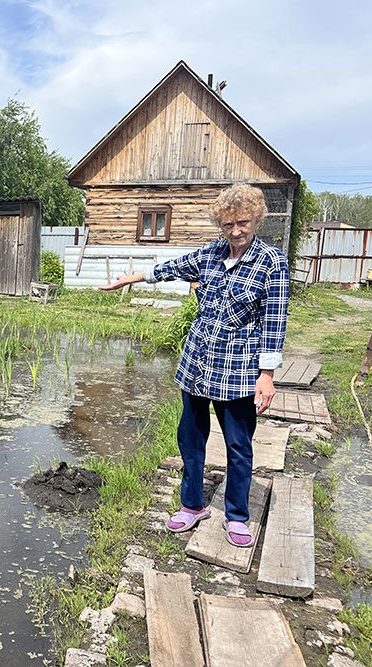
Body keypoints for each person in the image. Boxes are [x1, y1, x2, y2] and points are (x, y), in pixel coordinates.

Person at [99, 182, 289, 547]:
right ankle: (192, 505)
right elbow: (170, 268)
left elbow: (275, 320)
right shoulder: (212, 254)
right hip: (197, 365)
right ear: (221, 224)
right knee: (190, 436)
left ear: (256, 220)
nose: (235, 232)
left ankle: (236, 515)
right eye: (228, 224)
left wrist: (267, 376)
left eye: (243, 223)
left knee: (238, 445)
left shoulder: (271, 262)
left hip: (239, 370)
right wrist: (131, 278)